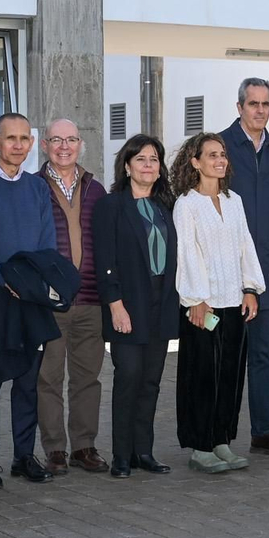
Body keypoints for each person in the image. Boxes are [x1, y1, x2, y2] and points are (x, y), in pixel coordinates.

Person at [0, 111, 60, 487]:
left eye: (24, 139)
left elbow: (47, 244)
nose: (18, 145)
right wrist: (5, 278)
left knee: (28, 382)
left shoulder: (38, 188)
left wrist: (33, 284)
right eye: (10, 138)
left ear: (31, 144)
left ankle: (24, 455)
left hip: (29, 300)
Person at [171, 131, 265, 474]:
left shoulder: (233, 201)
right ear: (195, 162)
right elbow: (186, 254)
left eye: (222, 154)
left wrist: (250, 288)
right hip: (203, 307)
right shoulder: (186, 204)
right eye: (211, 155)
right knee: (201, 377)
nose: (220, 160)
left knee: (230, 375)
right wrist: (195, 300)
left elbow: (245, 245)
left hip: (233, 303)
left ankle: (222, 439)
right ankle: (201, 446)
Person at [221, 78, 269, 458]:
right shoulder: (218, 148)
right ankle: (217, 434)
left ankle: (263, 431)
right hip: (225, 270)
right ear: (239, 107)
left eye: (265, 104)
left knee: (263, 354)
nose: (259, 110)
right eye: (253, 103)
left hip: (265, 267)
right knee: (223, 354)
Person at [93, 134, 179, 478]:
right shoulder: (111, 206)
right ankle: (121, 455)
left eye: (154, 159)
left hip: (162, 302)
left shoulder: (166, 207)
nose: (148, 165)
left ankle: (144, 451)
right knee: (128, 376)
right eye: (141, 159)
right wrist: (115, 305)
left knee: (151, 381)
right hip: (128, 303)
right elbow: (104, 259)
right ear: (127, 166)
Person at [36, 118, 109, 475]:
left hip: (91, 299)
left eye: (71, 139)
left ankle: (84, 446)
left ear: (81, 144)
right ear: (45, 145)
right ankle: (54, 450)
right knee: (48, 378)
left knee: (87, 378)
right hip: (50, 302)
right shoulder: (32, 187)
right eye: (56, 140)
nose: (64, 146)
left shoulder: (96, 189)